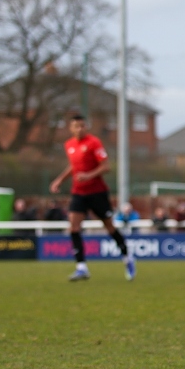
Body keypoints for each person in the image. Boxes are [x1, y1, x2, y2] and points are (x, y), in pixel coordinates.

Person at [49, 115, 136, 282]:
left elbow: (106, 166)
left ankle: (127, 256)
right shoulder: (69, 145)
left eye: (82, 126)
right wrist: (59, 180)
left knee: (109, 227)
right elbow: (73, 167)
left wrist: (88, 176)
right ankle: (81, 267)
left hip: (97, 192)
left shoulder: (94, 143)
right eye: (76, 126)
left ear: (86, 127)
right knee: (74, 227)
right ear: (71, 128)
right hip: (78, 192)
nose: (79, 129)